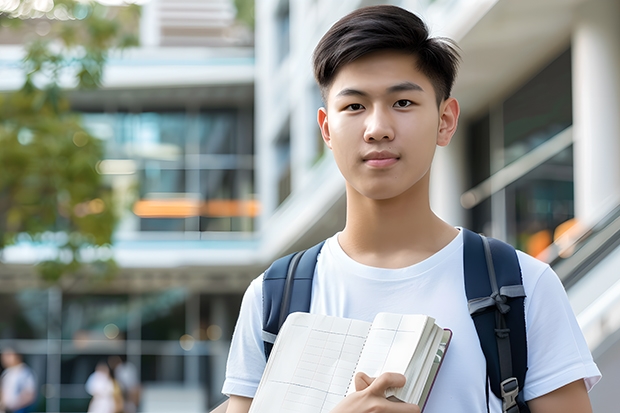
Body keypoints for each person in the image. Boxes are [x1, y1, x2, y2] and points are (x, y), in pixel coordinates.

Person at [221, 5, 601, 413]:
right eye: (354, 106)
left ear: (445, 120)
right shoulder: (273, 296)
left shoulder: (523, 285)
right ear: (326, 128)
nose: (377, 127)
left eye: (402, 102)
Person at [0, 348, 37, 413]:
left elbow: (30, 395)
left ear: (17, 356)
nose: (4, 358)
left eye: (8, 355)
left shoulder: (25, 372)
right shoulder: (6, 373)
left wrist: (14, 406)